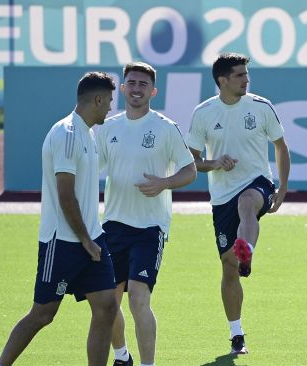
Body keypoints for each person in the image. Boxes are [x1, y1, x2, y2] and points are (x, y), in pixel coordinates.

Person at [0, 72, 118, 366]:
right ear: (98, 99)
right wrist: (86, 241)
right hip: (62, 242)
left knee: (106, 306)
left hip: (91, 238)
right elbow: (66, 195)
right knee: (43, 314)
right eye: (109, 102)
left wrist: (91, 238)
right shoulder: (66, 134)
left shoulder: (88, 133)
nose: (111, 108)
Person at [184, 53, 290, 355]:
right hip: (221, 197)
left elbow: (281, 146)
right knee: (228, 268)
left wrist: (281, 188)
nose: (247, 80)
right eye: (240, 75)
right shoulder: (204, 113)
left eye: (247, 74)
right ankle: (236, 334)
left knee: (247, 202)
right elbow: (191, 162)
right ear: (222, 80)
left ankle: (248, 250)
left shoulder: (261, 106)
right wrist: (215, 162)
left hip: (258, 184)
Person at [96, 62, 197, 366]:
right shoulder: (109, 127)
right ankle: (121, 355)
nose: (136, 88)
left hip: (149, 228)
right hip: (113, 225)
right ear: (123, 89)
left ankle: (147, 364)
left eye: (143, 84)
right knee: (108, 302)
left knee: (139, 298)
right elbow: (91, 169)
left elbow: (190, 170)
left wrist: (165, 183)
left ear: (153, 91)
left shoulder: (165, 128)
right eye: (131, 83)